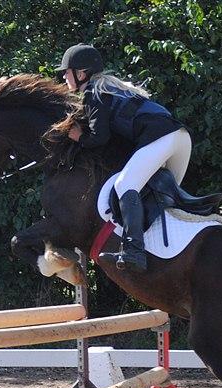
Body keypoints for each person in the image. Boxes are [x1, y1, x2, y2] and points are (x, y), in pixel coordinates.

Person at [56, 43, 192, 272]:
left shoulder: (95, 93)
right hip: (181, 138)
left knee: (124, 185)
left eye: (66, 71)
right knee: (158, 198)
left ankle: (134, 253)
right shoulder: (113, 89)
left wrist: (79, 137)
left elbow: (99, 138)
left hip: (162, 138)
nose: (63, 76)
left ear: (81, 73)